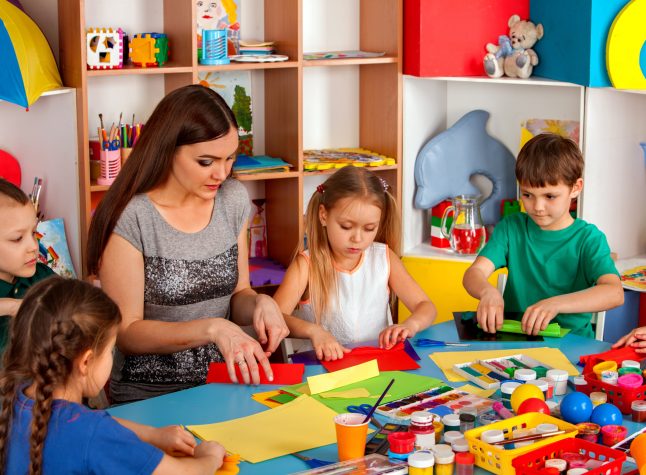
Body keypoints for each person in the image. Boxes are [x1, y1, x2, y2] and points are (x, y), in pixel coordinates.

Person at [86, 85, 289, 404]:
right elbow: (126, 332)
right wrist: (211, 329)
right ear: (168, 149)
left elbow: (239, 294)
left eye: (230, 158)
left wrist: (262, 304)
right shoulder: (132, 217)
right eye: (206, 162)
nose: (221, 173)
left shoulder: (232, 199)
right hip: (150, 397)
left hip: (224, 385)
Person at [0, 277, 225, 474]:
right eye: (110, 350)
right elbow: (183, 473)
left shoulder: (18, 398)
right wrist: (210, 457)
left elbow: (87, 422)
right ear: (86, 361)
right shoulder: (93, 434)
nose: (111, 356)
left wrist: (152, 435)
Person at [463, 133, 624, 337]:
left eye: (550, 196)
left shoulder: (589, 239)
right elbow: (473, 273)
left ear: (575, 188)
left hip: (571, 345)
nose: (537, 207)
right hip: (515, 341)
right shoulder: (512, 228)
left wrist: (556, 304)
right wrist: (488, 292)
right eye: (528, 195)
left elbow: (615, 293)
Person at [273, 166, 436, 361]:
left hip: (377, 364)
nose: (357, 238)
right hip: (321, 368)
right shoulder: (306, 265)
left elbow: (426, 306)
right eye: (346, 227)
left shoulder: (384, 257)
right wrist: (313, 331)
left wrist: (410, 325)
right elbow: (275, 317)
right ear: (323, 216)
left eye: (369, 229)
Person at [0, 178, 54, 358]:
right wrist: (9, 307)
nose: (33, 246)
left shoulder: (44, 277)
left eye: (33, 233)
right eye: (17, 239)